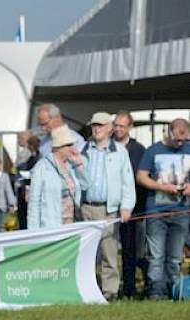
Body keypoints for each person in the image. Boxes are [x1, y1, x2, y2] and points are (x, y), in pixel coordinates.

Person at [79, 112, 136, 300]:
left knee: (109, 253)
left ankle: (109, 292)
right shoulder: (83, 149)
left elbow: (128, 182)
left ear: (110, 129)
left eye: (101, 125)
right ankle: (88, 289)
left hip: (108, 209)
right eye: (94, 125)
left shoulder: (120, 152)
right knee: (86, 253)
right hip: (85, 207)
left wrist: (126, 207)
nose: (96, 129)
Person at [135, 119, 190, 300]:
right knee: (156, 255)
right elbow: (141, 177)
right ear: (169, 132)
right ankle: (156, 292)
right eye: (177, 140)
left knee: (175, 256)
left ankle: (173, 289)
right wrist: (162, 187)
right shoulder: (153, 150)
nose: (180, 143)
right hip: (157, 211)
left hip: (182, 212)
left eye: (184, 140)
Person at [27, 126, 90, 229]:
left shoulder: (71, 164)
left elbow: (85, 185)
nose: (72, 148)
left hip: (72, 223)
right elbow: (34, 201)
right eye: (68, 145)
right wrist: (33, 231)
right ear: (59, 147)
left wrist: (79, 165)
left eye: (72, 144)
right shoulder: (41, 167)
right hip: (51, 224)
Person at [113, 110, 148, 299]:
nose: (118, 129)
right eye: (116, 125)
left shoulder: (138, 150)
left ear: (129, 128)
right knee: (111, 251)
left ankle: (131, 288)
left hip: (134, 209)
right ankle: (117, 287)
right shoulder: (107, 147)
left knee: (132, 251)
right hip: (110, 207)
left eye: (122, 126)